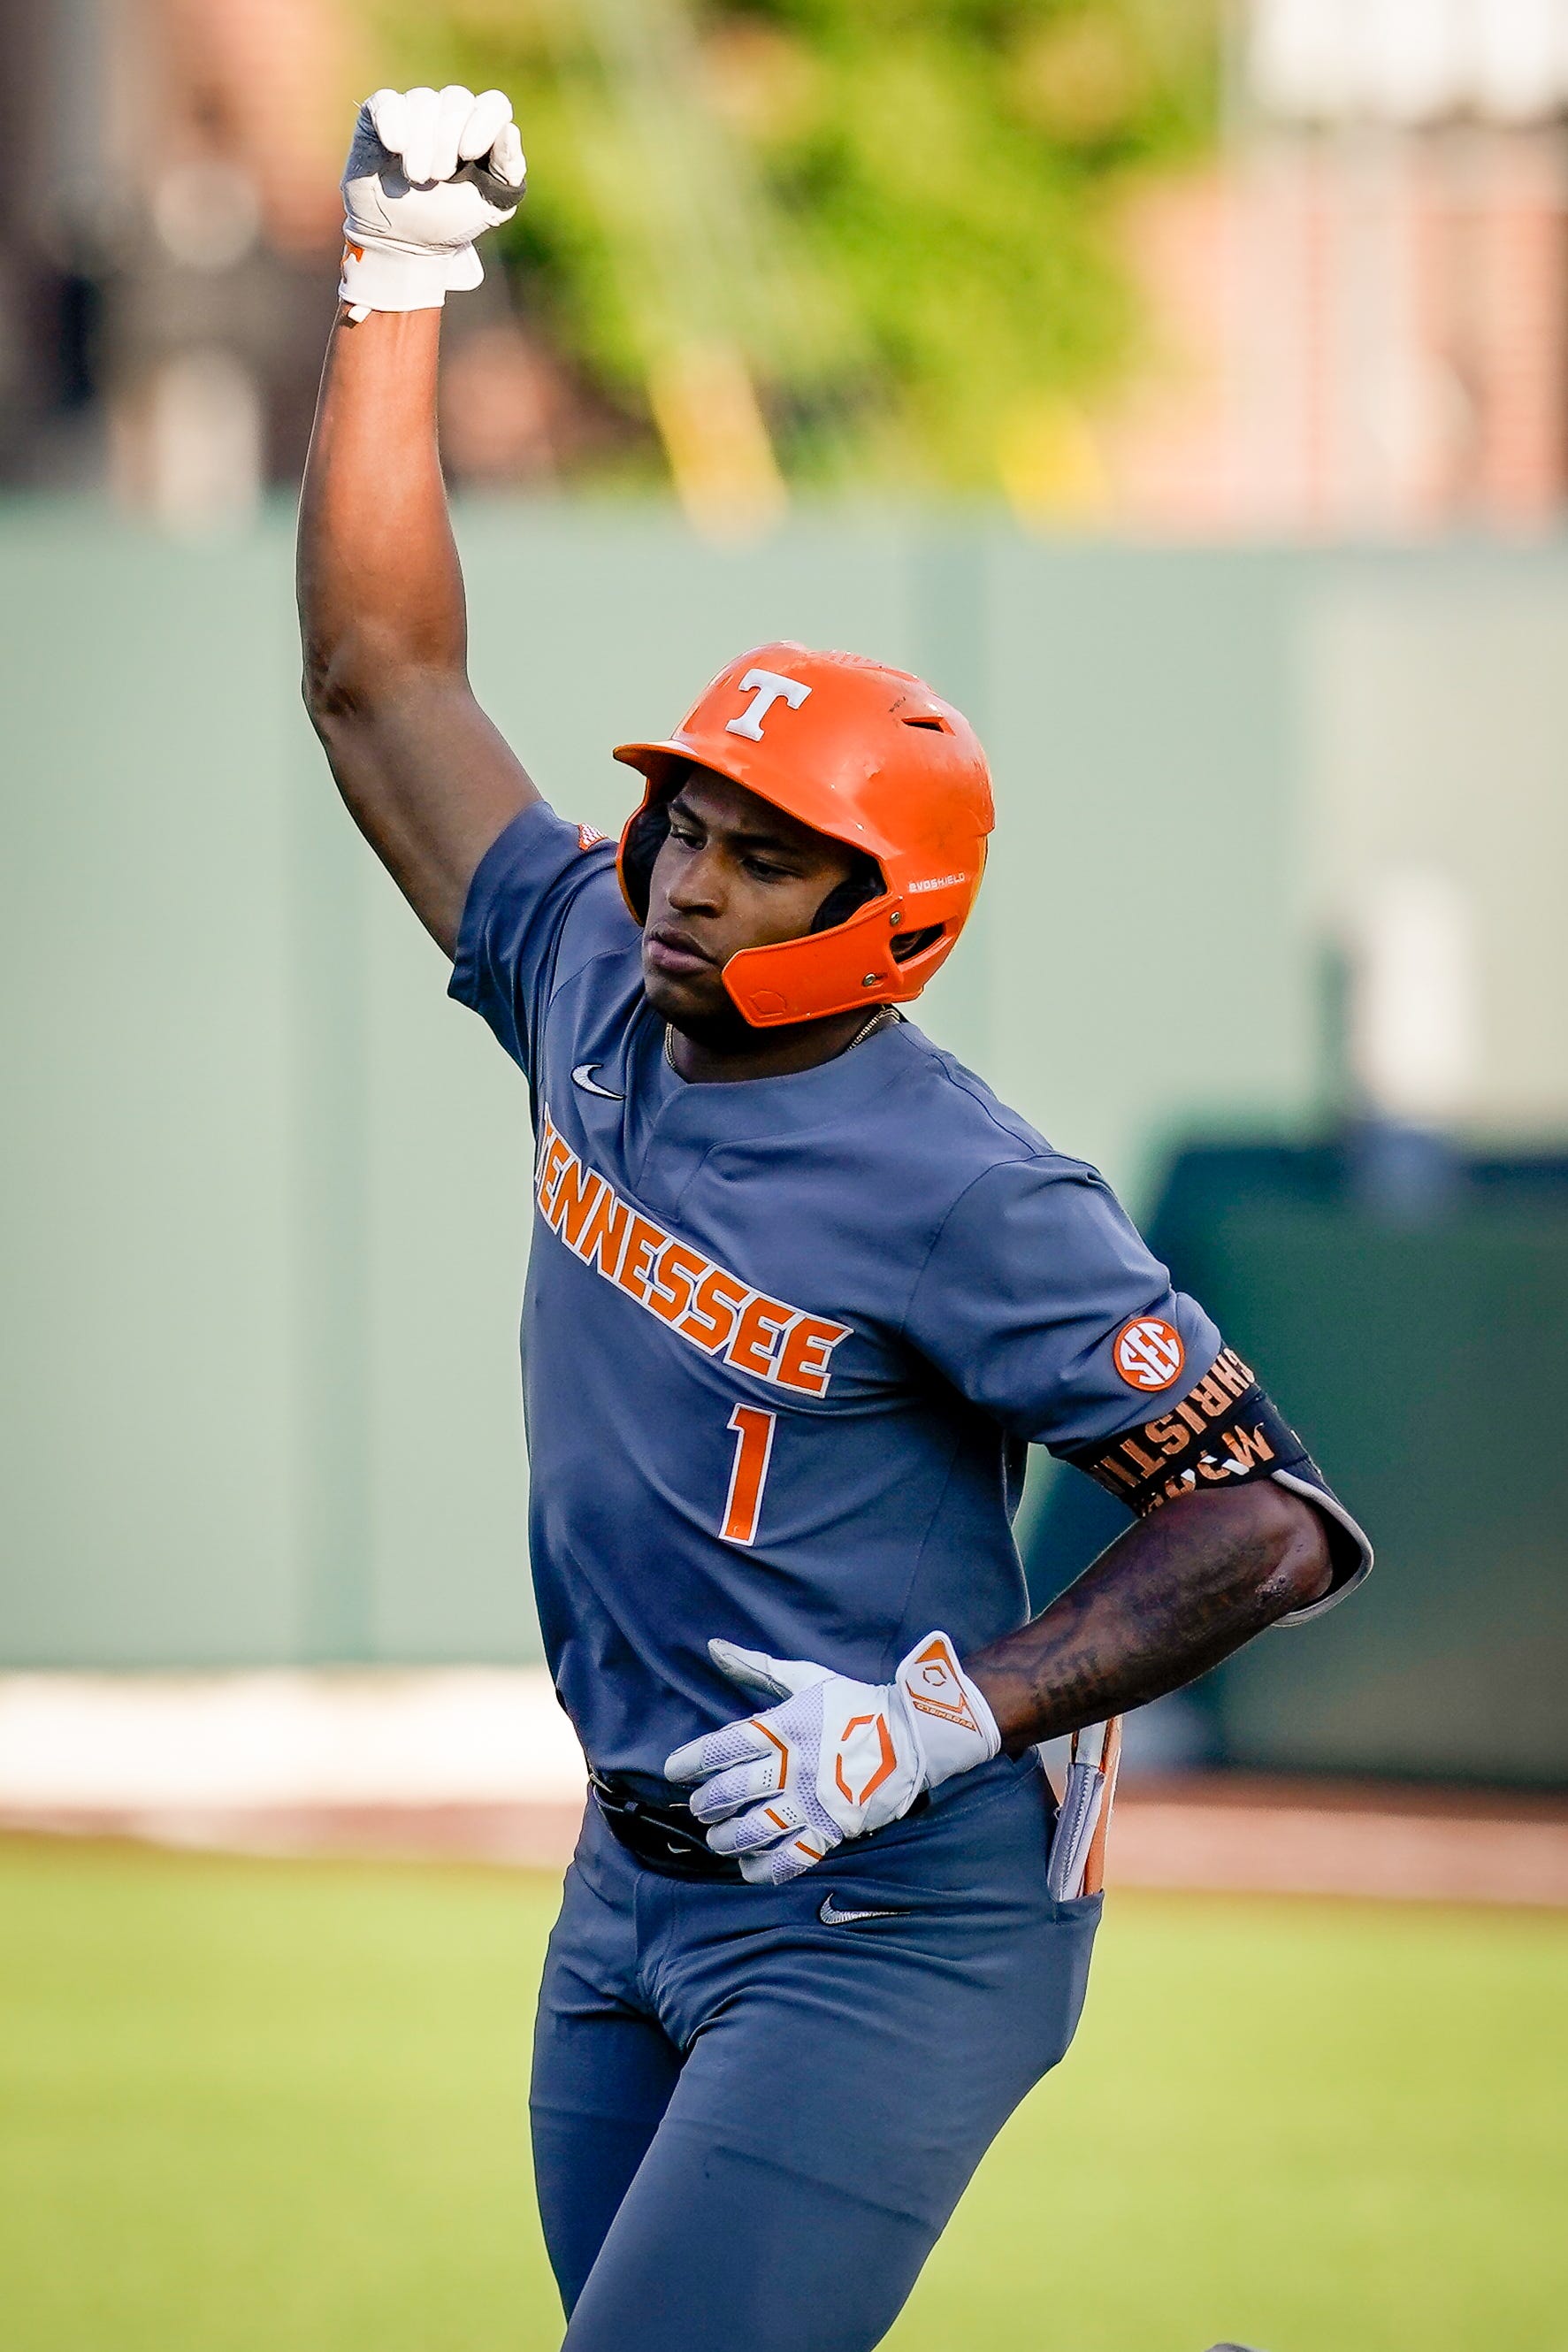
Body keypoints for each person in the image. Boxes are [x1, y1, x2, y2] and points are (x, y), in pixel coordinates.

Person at [297, 86, 1371, 2352]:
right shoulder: (586, 970)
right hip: (637, 1869)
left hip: (895, 1907)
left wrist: (949, 1714)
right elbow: (383, 678)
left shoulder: (967, 1187)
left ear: (885, 909)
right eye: (683, 821)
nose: (686, 876)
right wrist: (394, 283)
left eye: (760, 850)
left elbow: (1271, 1523)